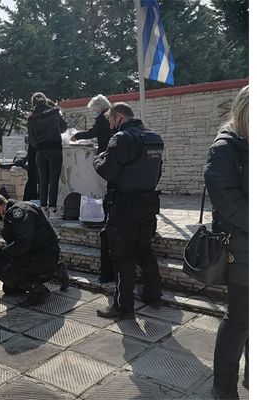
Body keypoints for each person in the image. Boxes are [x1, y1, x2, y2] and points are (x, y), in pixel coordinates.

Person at [93, 102, 164, 319]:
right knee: (144, 251)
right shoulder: (154, 138)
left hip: (124, 206)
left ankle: (123, 307)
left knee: (122, 257)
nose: (111, 126)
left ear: (119, 117)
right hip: (148, 202)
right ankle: (153, 296)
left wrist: (97, 160)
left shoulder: (123, 138)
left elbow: (108, 171)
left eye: (111, 120)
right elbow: (158, 172)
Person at [204, 85, 249, 400]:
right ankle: (223, 387)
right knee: (240, 318)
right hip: (241, 247)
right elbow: (226, 199)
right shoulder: (225, 147)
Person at [0, 192, 70, 306]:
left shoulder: (18, 212)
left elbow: (23, 243)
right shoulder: (15, 210)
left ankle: (38, 290)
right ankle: (55, 271)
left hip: (43, 256)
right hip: (40, 253)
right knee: (10, 288)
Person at [70, 94, 117, 282]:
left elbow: (94, 132)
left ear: (100, 107)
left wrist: (77, 136)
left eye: (94, 109)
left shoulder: (104, 117)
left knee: (106, 183)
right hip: (107, 150)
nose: (94, 112)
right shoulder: (109, 116)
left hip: (105, 154)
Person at [27, 93, 67, 219]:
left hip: (40, 151)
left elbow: (31, 139)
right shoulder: (54, 113)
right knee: (53, 181)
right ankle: (53, 209)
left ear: (33, 103)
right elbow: (64, 127)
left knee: (43, 181)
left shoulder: (32, 118)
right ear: (46, 101)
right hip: (55, 148)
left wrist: (39, 145)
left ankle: (43, 209)